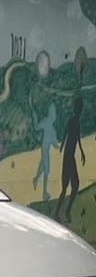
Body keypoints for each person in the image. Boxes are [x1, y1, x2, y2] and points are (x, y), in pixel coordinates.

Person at [58, 91, 86, 222]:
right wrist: (63, 145)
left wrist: (81, 152)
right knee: (70, 186)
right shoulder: (73, 121)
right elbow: (67, 134)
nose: (80, 110)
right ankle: (63, 212)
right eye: (79, 108)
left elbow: (76, 138)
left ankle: (62, 212)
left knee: (70, 187)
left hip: (69, 156)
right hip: (69, 157)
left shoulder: (75, 121)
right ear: (77, 109)